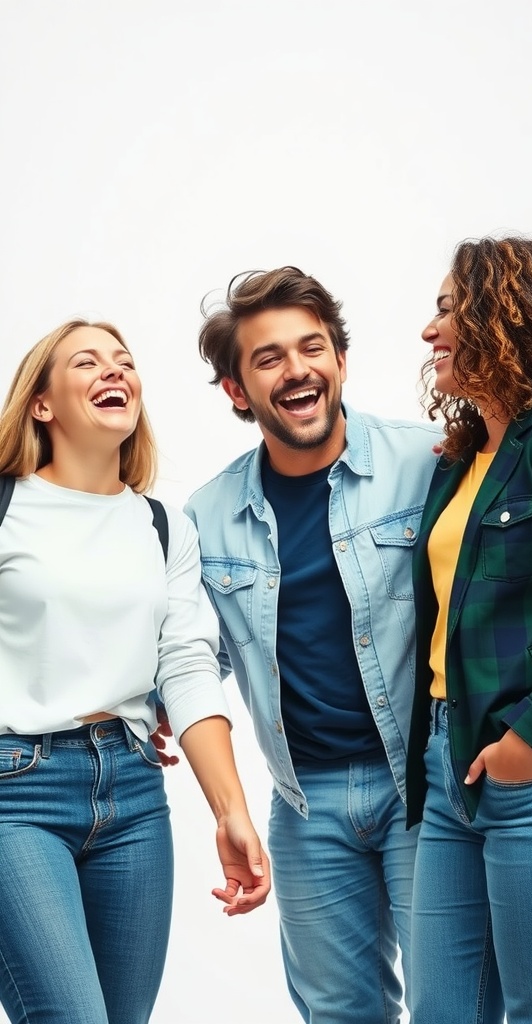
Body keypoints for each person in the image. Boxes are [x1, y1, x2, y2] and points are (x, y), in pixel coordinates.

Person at [184, 266, 440, 1024]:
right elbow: (198, 653)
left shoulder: (429, 464)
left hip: (424, 787)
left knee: (453, 1002)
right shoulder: (210, 514)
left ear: (339, 361)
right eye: (268, 358)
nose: (297, 369)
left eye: (312, 348)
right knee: (339, 1013)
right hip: (305, 803)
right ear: (238, 390)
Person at [0, 318, 270, 1024]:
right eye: (86, 362)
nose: (113, 372)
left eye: (124, 362)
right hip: (14, 795)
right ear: (42, 403)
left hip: (132, 797)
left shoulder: (162, 525)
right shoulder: (7, 508)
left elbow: (185, 666)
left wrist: (231, 811)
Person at [406, 235, 532, 1024]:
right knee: (440, 1010)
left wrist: (529, 741)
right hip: (450, 769)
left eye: (447, 309)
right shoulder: (463, 457)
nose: (429, 330)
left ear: (505, 315)